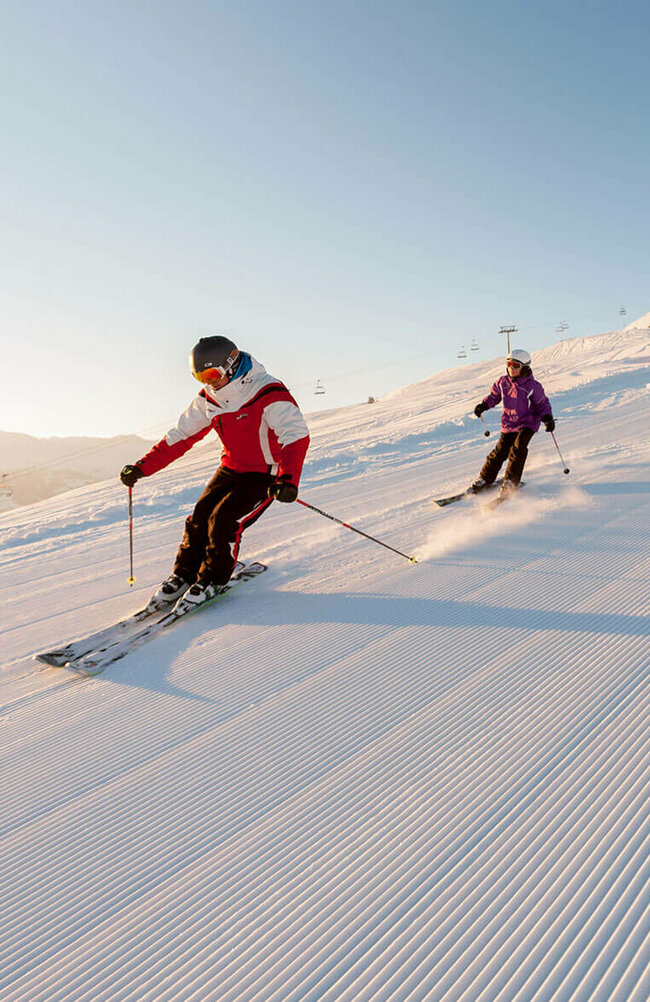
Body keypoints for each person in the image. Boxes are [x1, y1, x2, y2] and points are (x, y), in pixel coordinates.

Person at [120, 335, 310, 612]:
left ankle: (212, 580)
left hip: (265, 475)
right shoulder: (210, 398)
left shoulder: (267, 391)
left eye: (211, 374)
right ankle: (184, 575)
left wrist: (288, 480)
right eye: (200, 377)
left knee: (223, 522)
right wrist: (141, 467)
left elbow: (295, 436)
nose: (208, 382)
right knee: (199, 517)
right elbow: (181, 436)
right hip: (231, 468)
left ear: (231, 365)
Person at [470, 348, 555, 497]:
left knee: (517, 449)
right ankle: (485, 479)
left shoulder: (532, 386)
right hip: (509, 423)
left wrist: (547, 418)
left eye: (515, 365)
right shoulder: (503, 382)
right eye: (509, 364)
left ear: (524, 367)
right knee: (499, 452)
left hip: (528, 423)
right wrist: (483, 405)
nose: (511, 368)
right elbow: (494, 396)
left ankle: (511, 481)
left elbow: (542, 404)